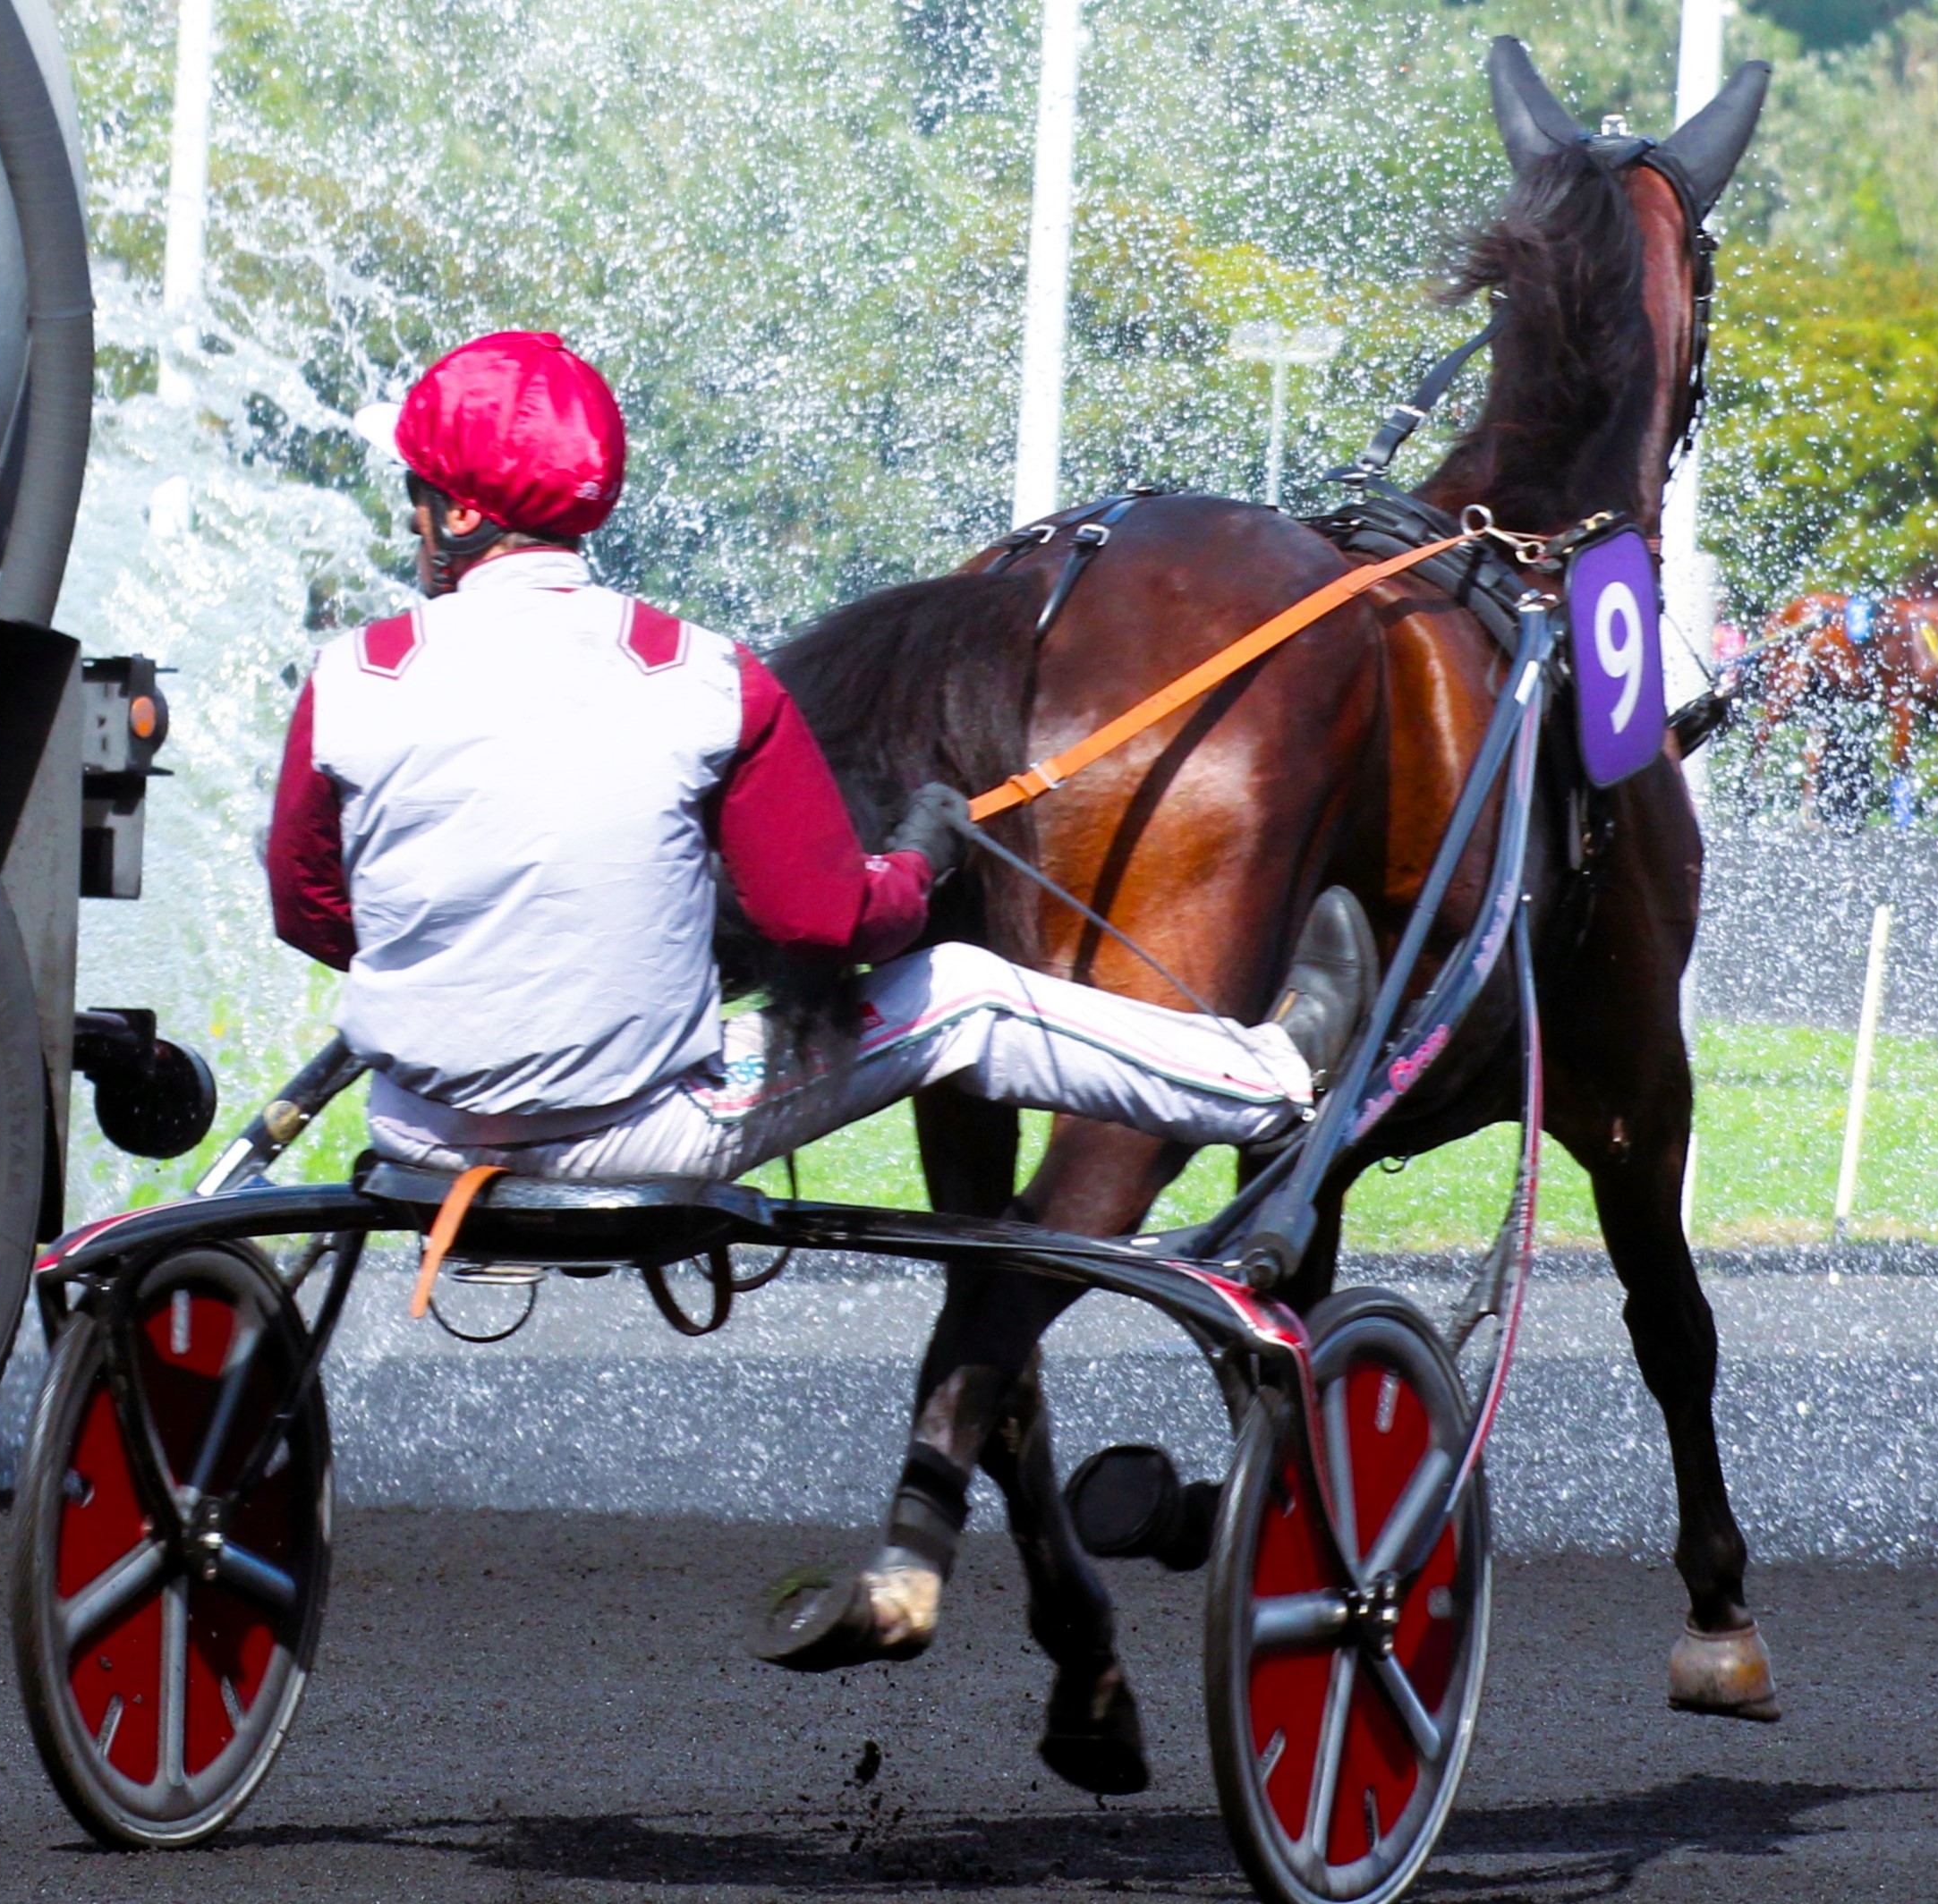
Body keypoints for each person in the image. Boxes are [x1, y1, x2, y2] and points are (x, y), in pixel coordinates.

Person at [271, 327, 1371, 1247]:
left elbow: (312, 912)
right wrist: (918, 864)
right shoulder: (706, 675)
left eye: (416, 492)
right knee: (958, 990)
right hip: (646, 1133)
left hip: (414, 1127)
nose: (412, 515)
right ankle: (1267, 1078)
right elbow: (823, 918)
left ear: (460, 515)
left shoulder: (346, 677)